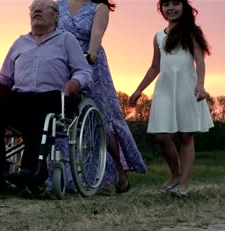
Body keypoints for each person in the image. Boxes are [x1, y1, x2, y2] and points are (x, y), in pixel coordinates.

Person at [0, 0, 92, 191]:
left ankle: (32, 169)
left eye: (43, 6)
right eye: (33, 7)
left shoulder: (66, 39)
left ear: (55, 16)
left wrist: (75, 82)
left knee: (37, 107)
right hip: (21, 97)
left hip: (53, 98)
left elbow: (84, 71)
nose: (37, 9)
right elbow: (5, 76)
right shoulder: (20, 42)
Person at [57, 0, 147, 194]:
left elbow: (96, 36)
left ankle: (120, 171)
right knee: (63, 119)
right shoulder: (59, 4)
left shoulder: (98, 7)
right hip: (62, 64)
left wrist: (92, 52)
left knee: (103, 121)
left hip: (89, 63)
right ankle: (65, 173)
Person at [129, 0, 213, 198]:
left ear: (184, 7)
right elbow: (155, 67)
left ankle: (183, 184)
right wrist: (138, 90)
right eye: (166, 5)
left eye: (176, 3)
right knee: (161, 136)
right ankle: (175, 174)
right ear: (161, 10)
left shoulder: (191, 31)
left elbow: (200, 60)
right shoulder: (158, 36)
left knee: (186, 136)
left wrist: (200, 85)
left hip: (187, 89)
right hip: (165, 90)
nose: (171, 8)